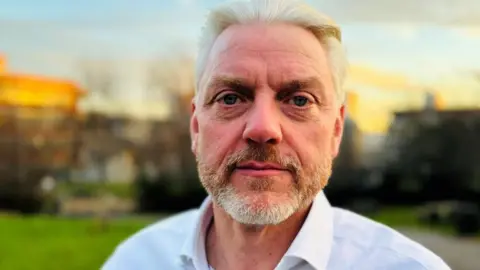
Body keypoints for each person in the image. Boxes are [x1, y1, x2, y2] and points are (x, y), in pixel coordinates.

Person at [102, 0, 451, 269]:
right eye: (230, 98)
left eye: (299, 100)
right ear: (196, 127)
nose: (263, 128)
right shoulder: (134, 261)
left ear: (336, 130)